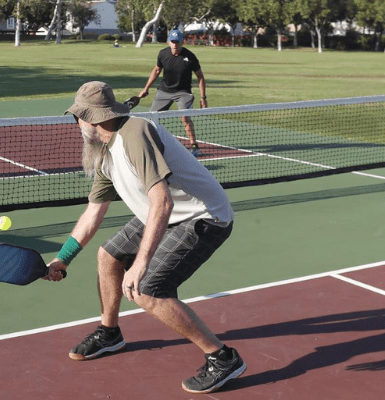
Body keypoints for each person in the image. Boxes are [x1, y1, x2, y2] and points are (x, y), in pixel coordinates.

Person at [46, 81, 245, 394]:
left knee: (147, 288)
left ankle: (222, 358)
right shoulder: (103, 153)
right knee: (108, 256)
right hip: (164, 216)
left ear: (95, 118)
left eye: (78, 116)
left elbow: (162, 201)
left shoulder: (135, 133)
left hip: (204, 217)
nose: (77, 122)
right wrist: (63, 258)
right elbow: (92, 214)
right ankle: (109, 332)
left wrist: (140, 263)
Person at [138, 29, 207, 157]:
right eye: (173, 42)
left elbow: (200, 77)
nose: (175, 45)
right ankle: (148, 144)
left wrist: (203, 97)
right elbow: (157, 70)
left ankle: (194, 146)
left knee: (184, 117)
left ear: (182, 42)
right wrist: (146, 88)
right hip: (164, 91)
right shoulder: (163, 54)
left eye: (178, 42)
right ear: (169, 42)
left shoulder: (190, 57)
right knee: (151, 117)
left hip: (183, 93)